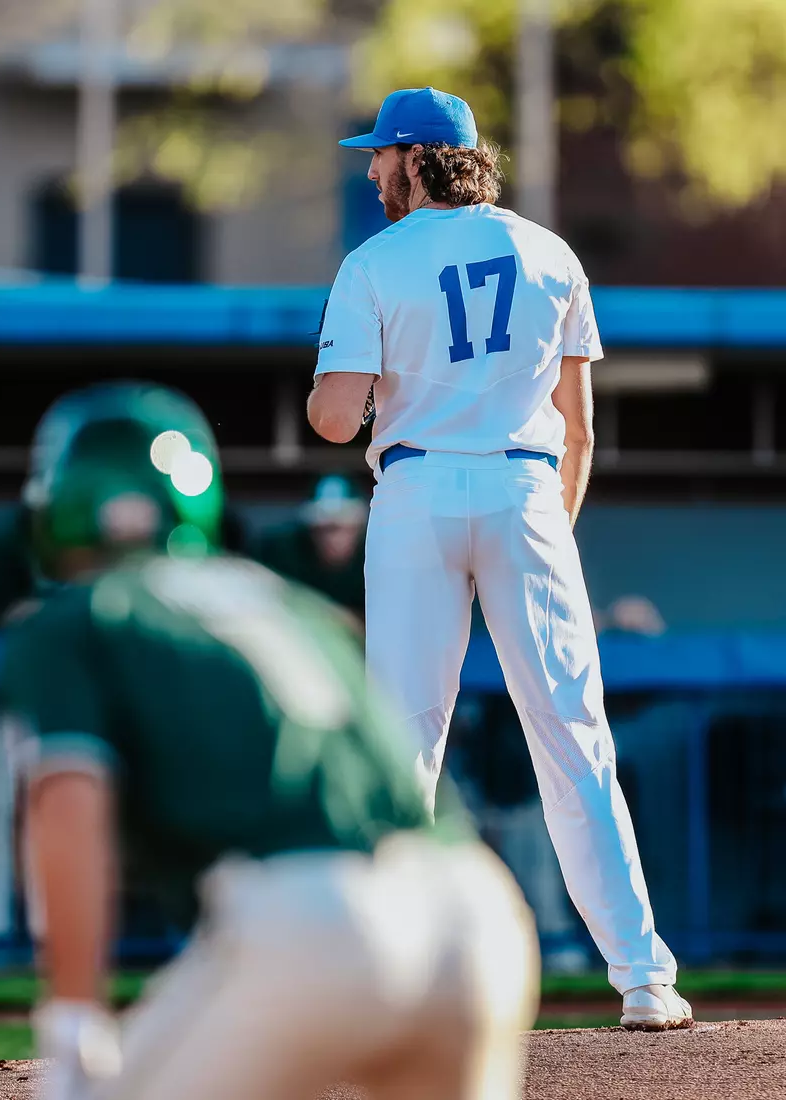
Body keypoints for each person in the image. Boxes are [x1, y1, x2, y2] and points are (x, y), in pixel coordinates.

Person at [0, 381, 538, 1100]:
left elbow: (67, 801)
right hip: (477, 914)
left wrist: (71, 1019)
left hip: (311, 921)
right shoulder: (291, 603)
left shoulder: (77, 618)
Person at [307, 86, 692, 1030]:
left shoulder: (374, 261)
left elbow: (329, 417)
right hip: (527, 491)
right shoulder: (550, 252)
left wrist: (371, 390)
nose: (371, 171)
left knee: (401, 740)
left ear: (417, 158)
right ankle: (644, 980)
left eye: (381, 155)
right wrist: (542, 528)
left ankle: (382, 985)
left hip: (418, 491)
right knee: (573, 735)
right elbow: (581, 432)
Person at [255, 474, 367, 621]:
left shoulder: (375, 560)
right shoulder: (284, 554)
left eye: (340, 528)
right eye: (323, 529)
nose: (332, 539)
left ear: (358, 528)